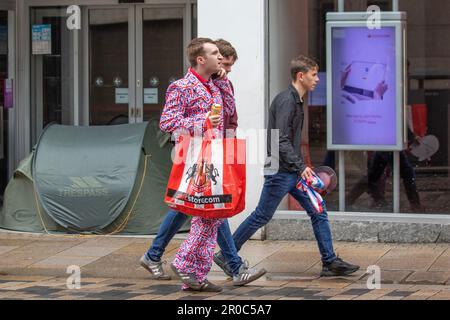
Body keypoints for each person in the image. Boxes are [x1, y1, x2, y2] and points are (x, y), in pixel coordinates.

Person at [213, 55, 360, 277]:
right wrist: (301, 166)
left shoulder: (296, 101)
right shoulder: (286, 101)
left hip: (291, 171)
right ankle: (227, 254)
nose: (317, 79)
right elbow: (279, 138)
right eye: (313, 75)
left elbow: (286, 140)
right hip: (280, 171)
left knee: (318, 210)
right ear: (301, 76)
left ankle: (330, 262)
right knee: (261, 216)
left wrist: (300, 167)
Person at [140, 38, 265, 291]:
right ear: (200, 59)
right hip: (196, 159)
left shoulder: (215, 85)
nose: (220, 57)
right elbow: (167, 121)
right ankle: (187, 263)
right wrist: (203, 121)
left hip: (216, 155)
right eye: (215, 53)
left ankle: (194, 276)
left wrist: (222, 82)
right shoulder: (181, 87)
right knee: (210, 214)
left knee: (211, 215)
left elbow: (229, 111)